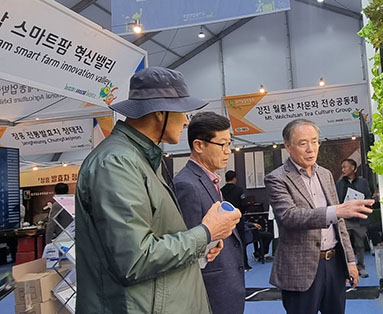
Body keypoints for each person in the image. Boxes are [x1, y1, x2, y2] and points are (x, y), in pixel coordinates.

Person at [75, 67, 241, 314]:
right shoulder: (117, 162)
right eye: (183, 112)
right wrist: (206, 233)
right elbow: (134, 259)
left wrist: (201, 248)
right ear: (160, 113)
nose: (187, 121)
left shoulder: (142, 159)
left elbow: (156, 237)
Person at [264, 119, 374, 314]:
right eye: (303, 143)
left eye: (315, 141)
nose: (311, 149)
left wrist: (350, 262)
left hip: (333, 264)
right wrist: (336, 210)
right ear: (288, 146)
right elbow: (290, 216)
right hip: (301, 269)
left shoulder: (325, 174)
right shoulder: (277, 178)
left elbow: (338, 224)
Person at [173, 112, 245, 314]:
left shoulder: (208, 180)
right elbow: (189, 248)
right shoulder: (186, 185)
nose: (228, 151)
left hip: (225, 286)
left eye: (229, 144)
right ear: (199, 145)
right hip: (210, 292)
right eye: (222, 145)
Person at [336, 158, 373, 278]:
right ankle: (346, 268)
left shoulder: (363, 182)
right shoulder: (340, 183)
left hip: (360, 219)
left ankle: (361, 267)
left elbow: (368, 196)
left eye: (345, 167)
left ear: (353, 168)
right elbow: (337, 200)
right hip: (345, 219)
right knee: (345, 244)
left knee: (360, 244)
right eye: (342, 167)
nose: (343, 169)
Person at [221, 170, 251, 270]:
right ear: (234, 179)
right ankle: (244, 264)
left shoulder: (221, 191)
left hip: (224, 220)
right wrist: (241, 214)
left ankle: (230, 265)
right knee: (241, 241)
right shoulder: (239, 190)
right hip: (238, 219)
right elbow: (244, 205)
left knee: (227, 243)